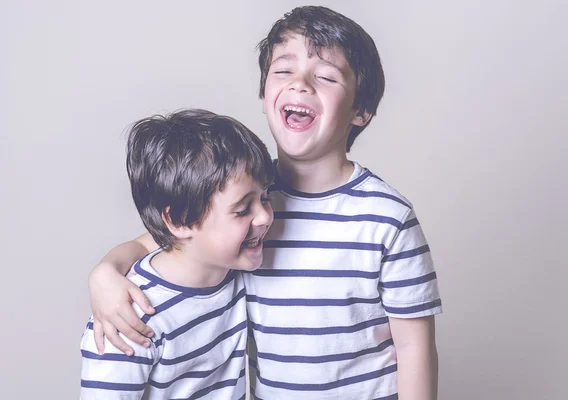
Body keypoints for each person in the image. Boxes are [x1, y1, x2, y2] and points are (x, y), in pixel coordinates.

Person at [88, 6, 443, 399]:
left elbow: (414, 346)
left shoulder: (387, 218)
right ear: (263, 94)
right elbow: (156, 239)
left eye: (326, 76)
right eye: (283, 70)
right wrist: (104, 273)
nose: (300, 84)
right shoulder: (243, 203)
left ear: (361, 111)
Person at [80, 109, 274, 399]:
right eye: (243, 209)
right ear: (181, 220)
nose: (265, 217)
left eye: (265, 197)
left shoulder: (232, 270)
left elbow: (149, 241)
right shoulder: (129, 320)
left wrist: (105, 268)